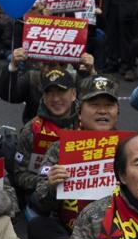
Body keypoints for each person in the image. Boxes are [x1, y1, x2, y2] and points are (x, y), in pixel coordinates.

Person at [28, 75, 123, 239]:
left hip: (120, 235)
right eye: (95, 104)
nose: (103, 111)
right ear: (80, 113)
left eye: (109, 105)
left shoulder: (130, 147)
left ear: (117, 112)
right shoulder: (61, 147)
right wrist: (52, 185)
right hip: (72, 235)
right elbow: (41, 202)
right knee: (38, 227)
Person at [10, 67, 86, 204]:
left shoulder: (87, 122)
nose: (56, 99)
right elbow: (19, 175)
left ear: (74, 94)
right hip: (45, 195)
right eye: (49, 93)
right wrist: (46, 181)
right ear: (43, 97)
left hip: (84, 190)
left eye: (61, 91)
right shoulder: (32, 129)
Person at [0, 45, 95, 124]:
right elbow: (9, 95)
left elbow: (94, 99)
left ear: (64, 66)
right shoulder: (33, 78)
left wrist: (90, 72)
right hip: (36, 135)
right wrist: (13, 66)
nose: (45, 69)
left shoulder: (75, 79)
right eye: (43, 64)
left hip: (69, 137)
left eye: (51, 65)